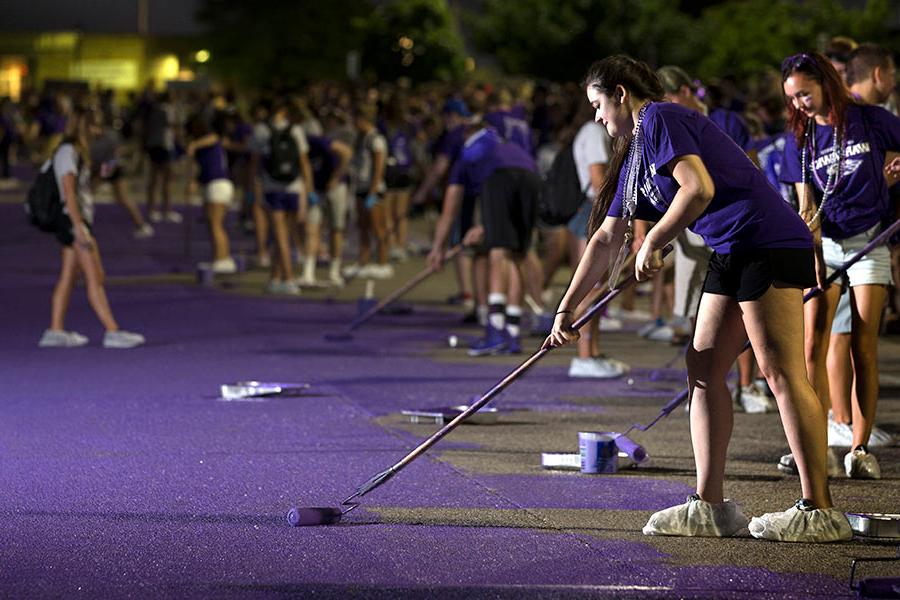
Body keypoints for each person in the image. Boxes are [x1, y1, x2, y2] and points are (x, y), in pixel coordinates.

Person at [547, 55, 851, 542]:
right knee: (704, 367)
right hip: (733, 246)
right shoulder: (637, 150)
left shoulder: (661, 118)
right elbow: (606, 238)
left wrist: (655, 239)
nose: (598, 117)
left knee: (780, 371)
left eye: (599, 104)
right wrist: (567, 307)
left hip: (767, 240)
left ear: (622, 94)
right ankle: (710, 506)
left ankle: (819, 510)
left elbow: (698, 188)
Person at [780, 51, 900, 479]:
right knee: (812, 343)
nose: (800, 104)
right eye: (792, 98)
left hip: (870, 240)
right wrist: (812, 261)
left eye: (805, 94)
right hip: (826, 246)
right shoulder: (801, 137)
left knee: (863, 347)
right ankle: (811, 444)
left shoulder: (870, 120)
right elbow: (806, 208)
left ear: (826, 83)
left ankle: (861, 447)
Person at [657, 65, 776, 414]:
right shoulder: (668, 126)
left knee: (746, 307)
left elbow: (750, 167)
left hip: (734, 221)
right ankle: (705, 385)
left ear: (683, 91)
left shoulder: (726, 120)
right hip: (698, 225)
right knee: (699, 309)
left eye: (668, 97)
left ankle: (747, 383)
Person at [428, 123, 541, 357]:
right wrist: (484, 225)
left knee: (498, 253)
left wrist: (437, 249)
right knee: (518, 255)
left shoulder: (466, 154)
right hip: (531, 178)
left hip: (500, 180)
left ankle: (496, 331)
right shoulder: (505, 145)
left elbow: (449, 211)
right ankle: (512, 331)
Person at [39, 107, 145, 349]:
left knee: (69, 276)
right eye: (95, 126)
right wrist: (78, 227)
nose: (99, 131)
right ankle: (112, 331)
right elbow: (68, 192)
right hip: (73, 221)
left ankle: (55, 330)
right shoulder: (68, 151)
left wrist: (102, 174)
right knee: (94, 276)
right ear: (84, 127)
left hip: (75, 220)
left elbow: (82, 190)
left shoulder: (77, 153)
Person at [251, 99, 314, 295]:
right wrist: (309, 190)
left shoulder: (261, 130)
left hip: (273, 186)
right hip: (294, 186)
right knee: (285, 233)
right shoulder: (296, 130)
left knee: (280, 235)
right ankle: (275, 277)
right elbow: (304, 163)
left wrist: (252, 189)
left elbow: (254, 163)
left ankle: (288, 278)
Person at [186, 114, 236, 274]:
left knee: (216, 224)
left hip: (218, 184)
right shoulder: (204, 149)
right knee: (212, 223)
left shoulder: (210, 140)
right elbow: (204, 169)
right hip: (213, 184)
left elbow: (215, 138)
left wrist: (194, 144)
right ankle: (220, 257)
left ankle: (223, 259)